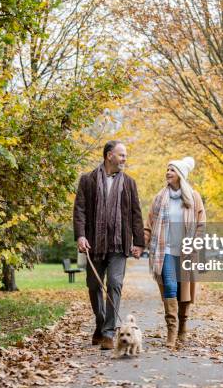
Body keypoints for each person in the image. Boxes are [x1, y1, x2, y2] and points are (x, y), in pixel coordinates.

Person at [73, 140, 145, 350]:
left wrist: (139, 243)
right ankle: (100, 322)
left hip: (119, 244)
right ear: (109, 155)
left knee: (114, 283)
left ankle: (107, 332)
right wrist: (80, 236)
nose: (125, 159)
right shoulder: (88, 180)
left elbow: (136, 214)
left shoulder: (129, 183)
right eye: (121, 155)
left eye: (125, 155)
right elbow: (80, 210)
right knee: (94, 285)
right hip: (94, 244)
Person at [144, 157, 206, 347]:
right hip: (166, 251)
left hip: (186, 252)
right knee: (170, 286)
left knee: (183, 292)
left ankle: (183, 328)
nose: (167, 172)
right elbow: (149, 224)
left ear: (180, 174)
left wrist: (195, 243)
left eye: (171, 170)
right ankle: (171, 331)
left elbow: (201, 224)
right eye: (167, 169)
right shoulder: (159, 198)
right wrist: (142, 243)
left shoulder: (193, 197)